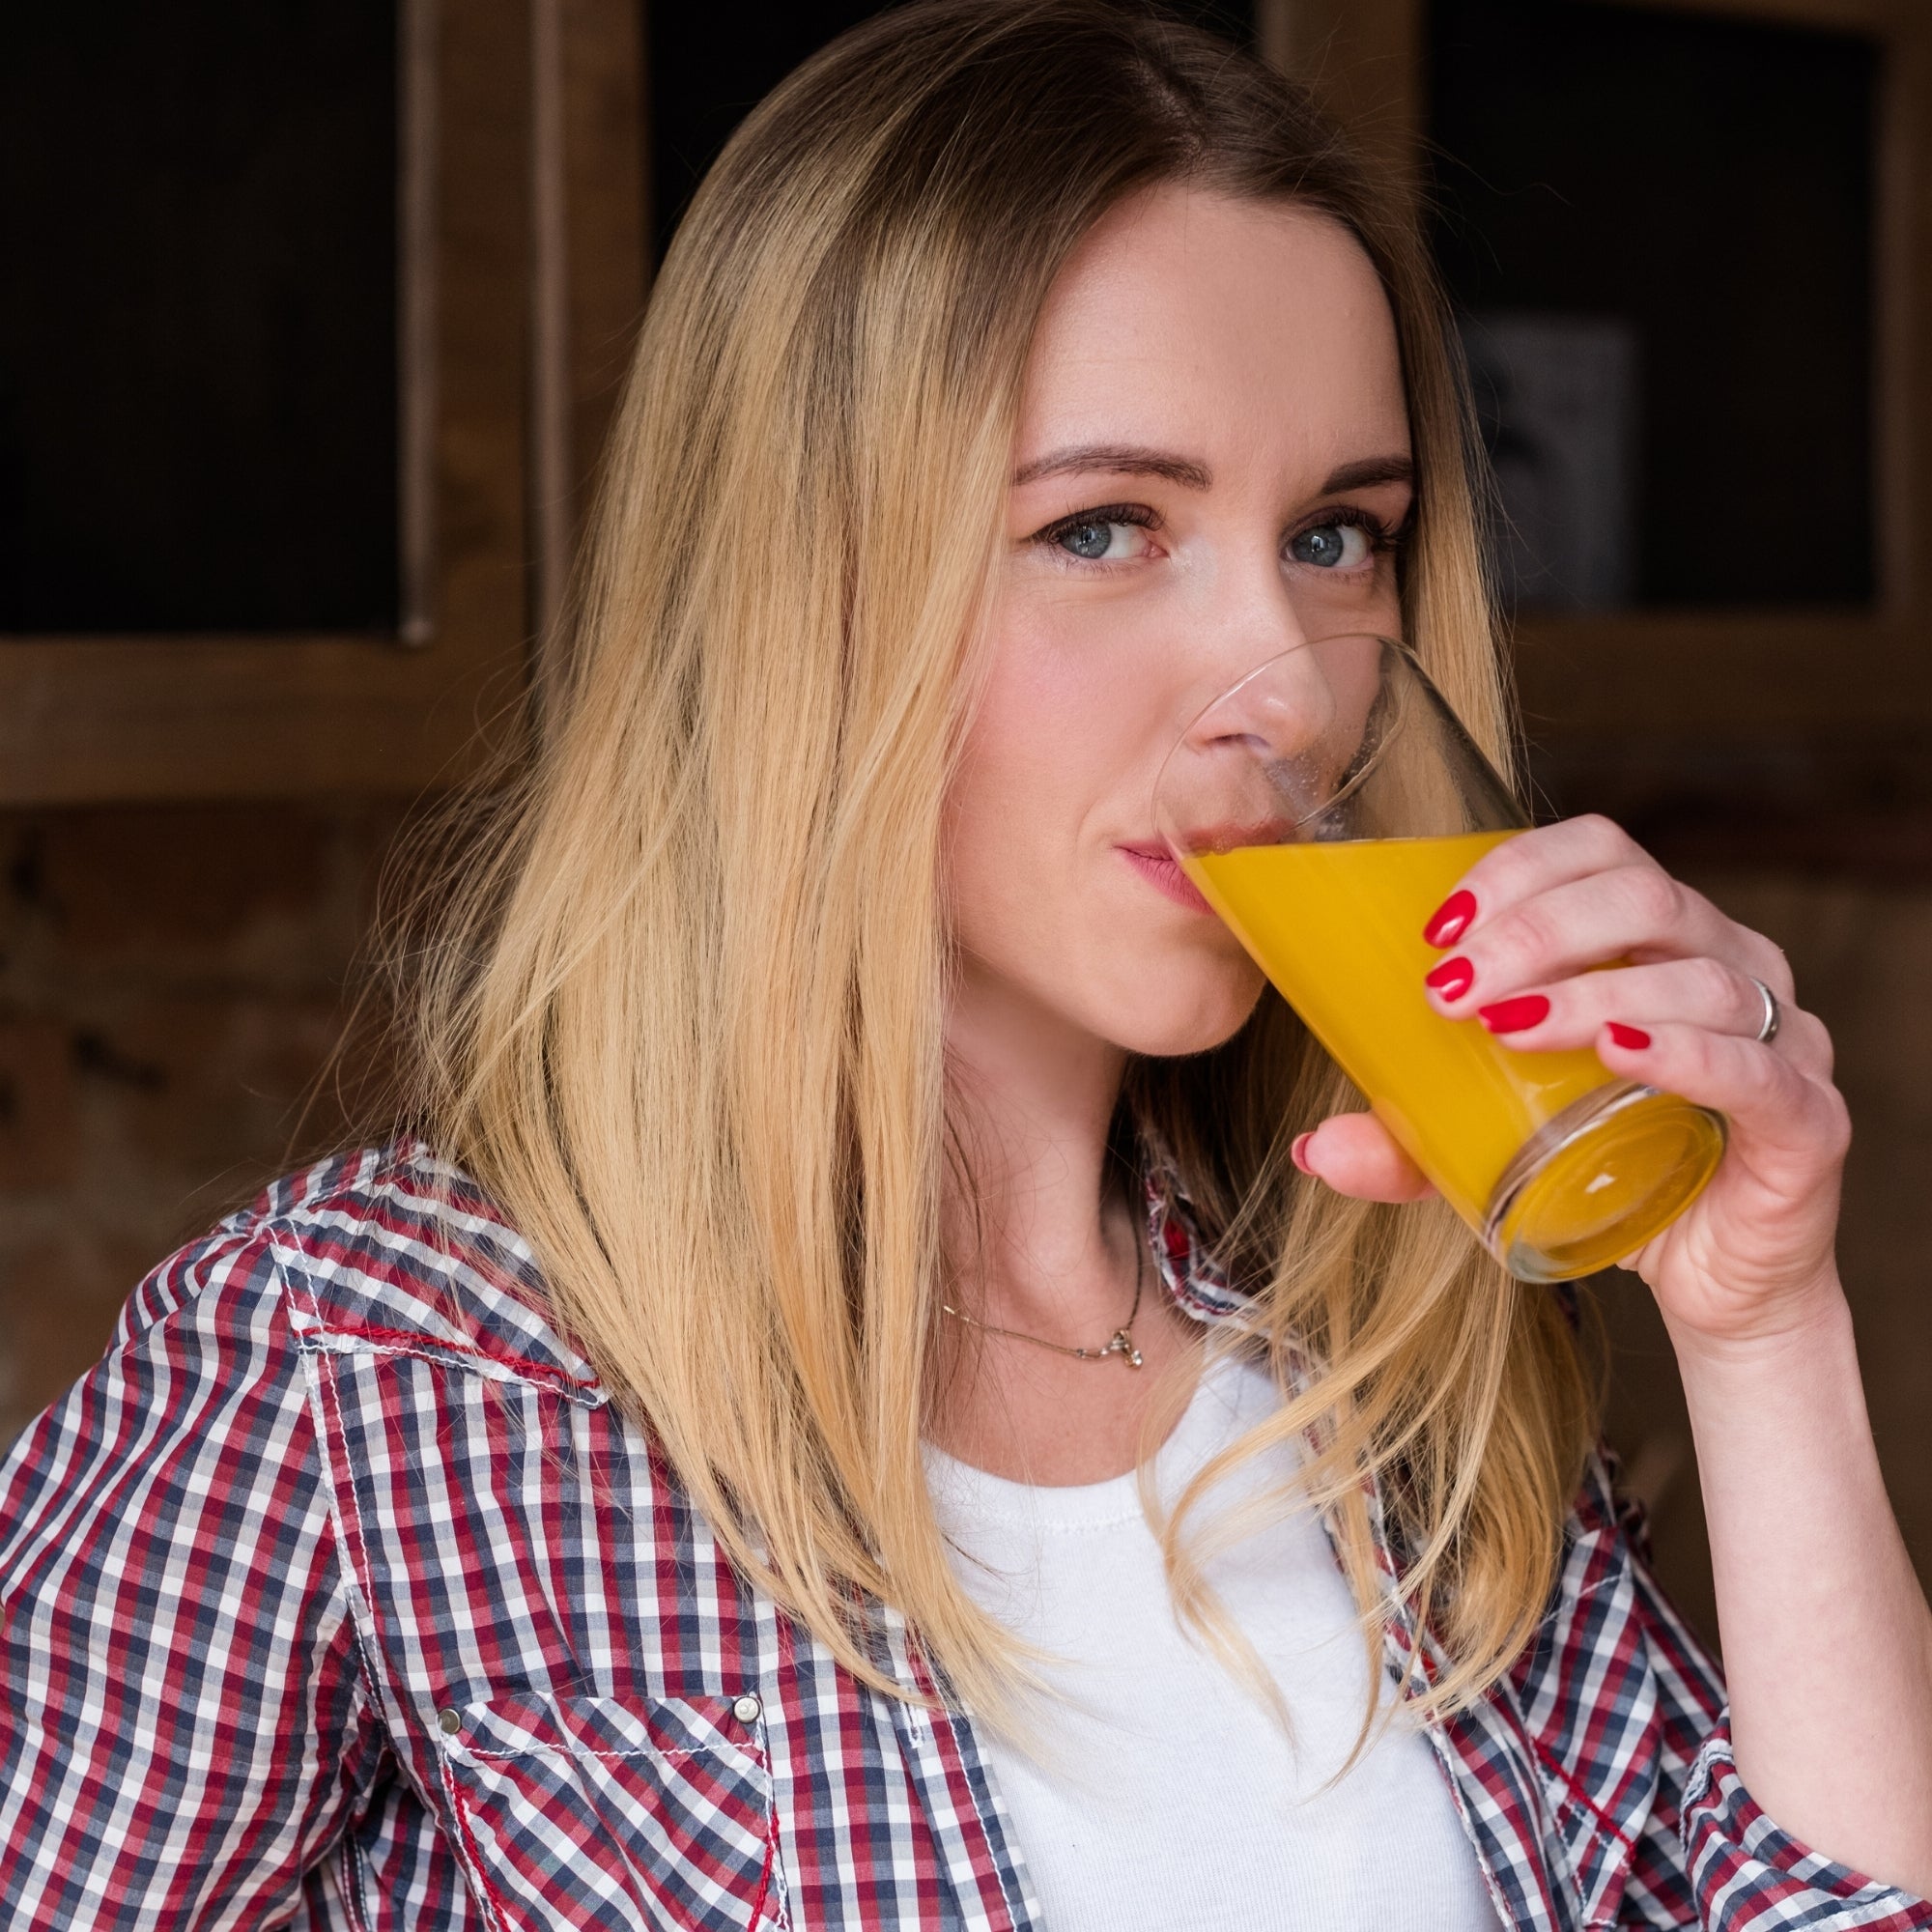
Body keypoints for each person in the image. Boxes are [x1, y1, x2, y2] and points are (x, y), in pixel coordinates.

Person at [2, 3, 1927, 1925]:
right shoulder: (361, 1373)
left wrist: (1762, 1331)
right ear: (801, 596)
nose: (1280, 690)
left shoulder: (1383, 1334)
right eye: (1103, 527)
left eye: (1337, 535)